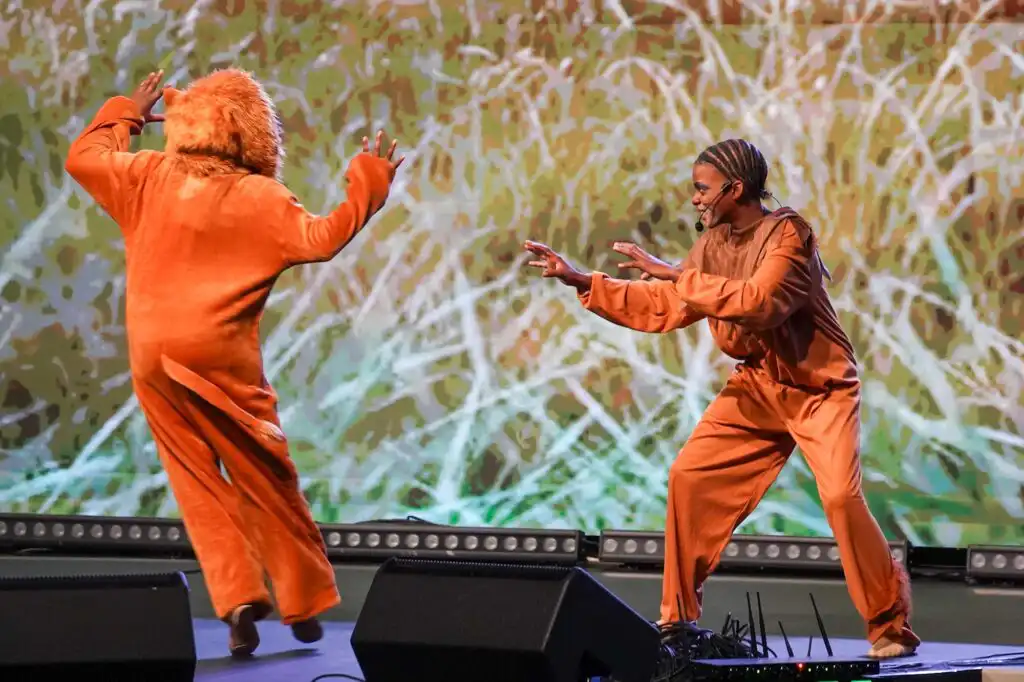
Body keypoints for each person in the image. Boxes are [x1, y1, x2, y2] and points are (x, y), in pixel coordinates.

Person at [524, 138, 919, 659]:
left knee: (842, 499)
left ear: (735, 189)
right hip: (757, 385)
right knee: (690, 478)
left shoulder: (789, 233)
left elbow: (761, 303)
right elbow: (668, 302)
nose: (695, 199)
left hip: (819, 388)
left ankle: (888, 626)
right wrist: (583, 280)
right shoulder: (712, 244)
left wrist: (678, 275)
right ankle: (678, 622)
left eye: (702, 188)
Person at [65, 68, 403, 657]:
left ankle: (239, 595)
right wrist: (367, 187)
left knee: (195, 481)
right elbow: (324, 238)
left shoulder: (146, 176)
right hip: (222, 362)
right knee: (264, 476)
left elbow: (84, 158)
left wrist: (126, 112)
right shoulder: (261, 199)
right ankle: (300, 598)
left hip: (152, 354)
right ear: (254, 134)